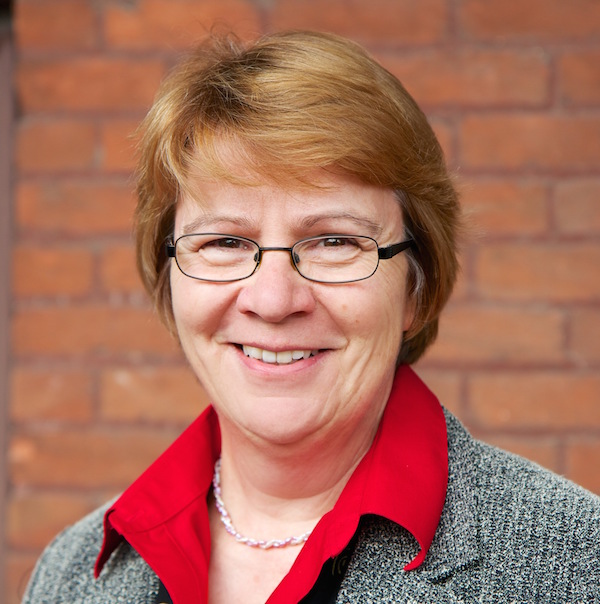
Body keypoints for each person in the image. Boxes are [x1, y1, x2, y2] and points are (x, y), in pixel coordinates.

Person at [23, 30, 600, 604]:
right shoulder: (72, 574)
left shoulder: (576, 562)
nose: (273, 300)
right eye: (224, 241)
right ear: (169, 275)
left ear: (415, 290)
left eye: (334, 242)